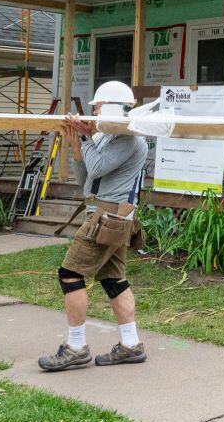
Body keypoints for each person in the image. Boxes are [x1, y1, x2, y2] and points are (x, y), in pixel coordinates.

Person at [38, 81, 150, 372]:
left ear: (111, 106)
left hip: (108, 218)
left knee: (70, 274)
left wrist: (86, 138)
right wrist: (78, 143)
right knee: (113, 279)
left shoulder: (129, 139)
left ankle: (76, 348)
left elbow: (98, 168)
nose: (95, 111)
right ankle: (130, 344)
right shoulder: (108, 137)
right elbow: (87, 178)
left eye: (98, 106)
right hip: (108, 216)